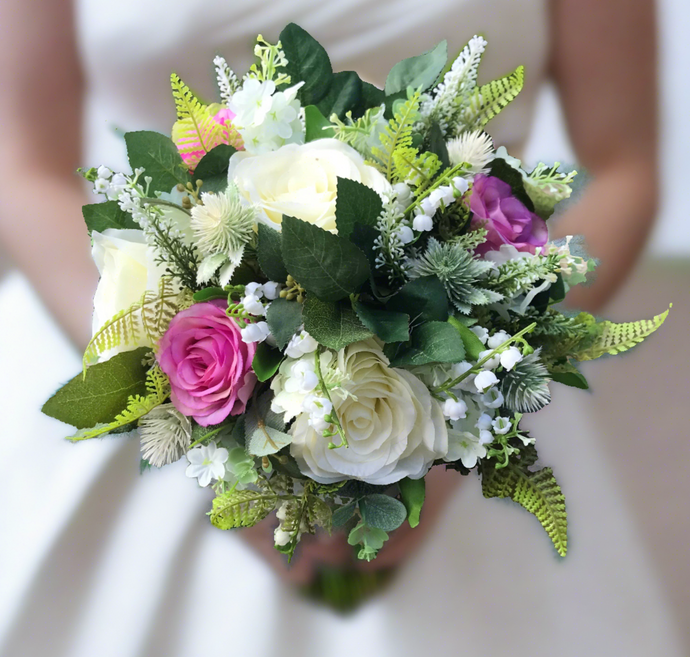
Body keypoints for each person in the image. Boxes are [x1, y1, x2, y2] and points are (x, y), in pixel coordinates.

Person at [0, 0, 683, 655]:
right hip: (152, 379)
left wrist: (439, 435)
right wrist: (192, 400)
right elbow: (24, 168)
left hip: (470, 388)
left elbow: (622, 166)